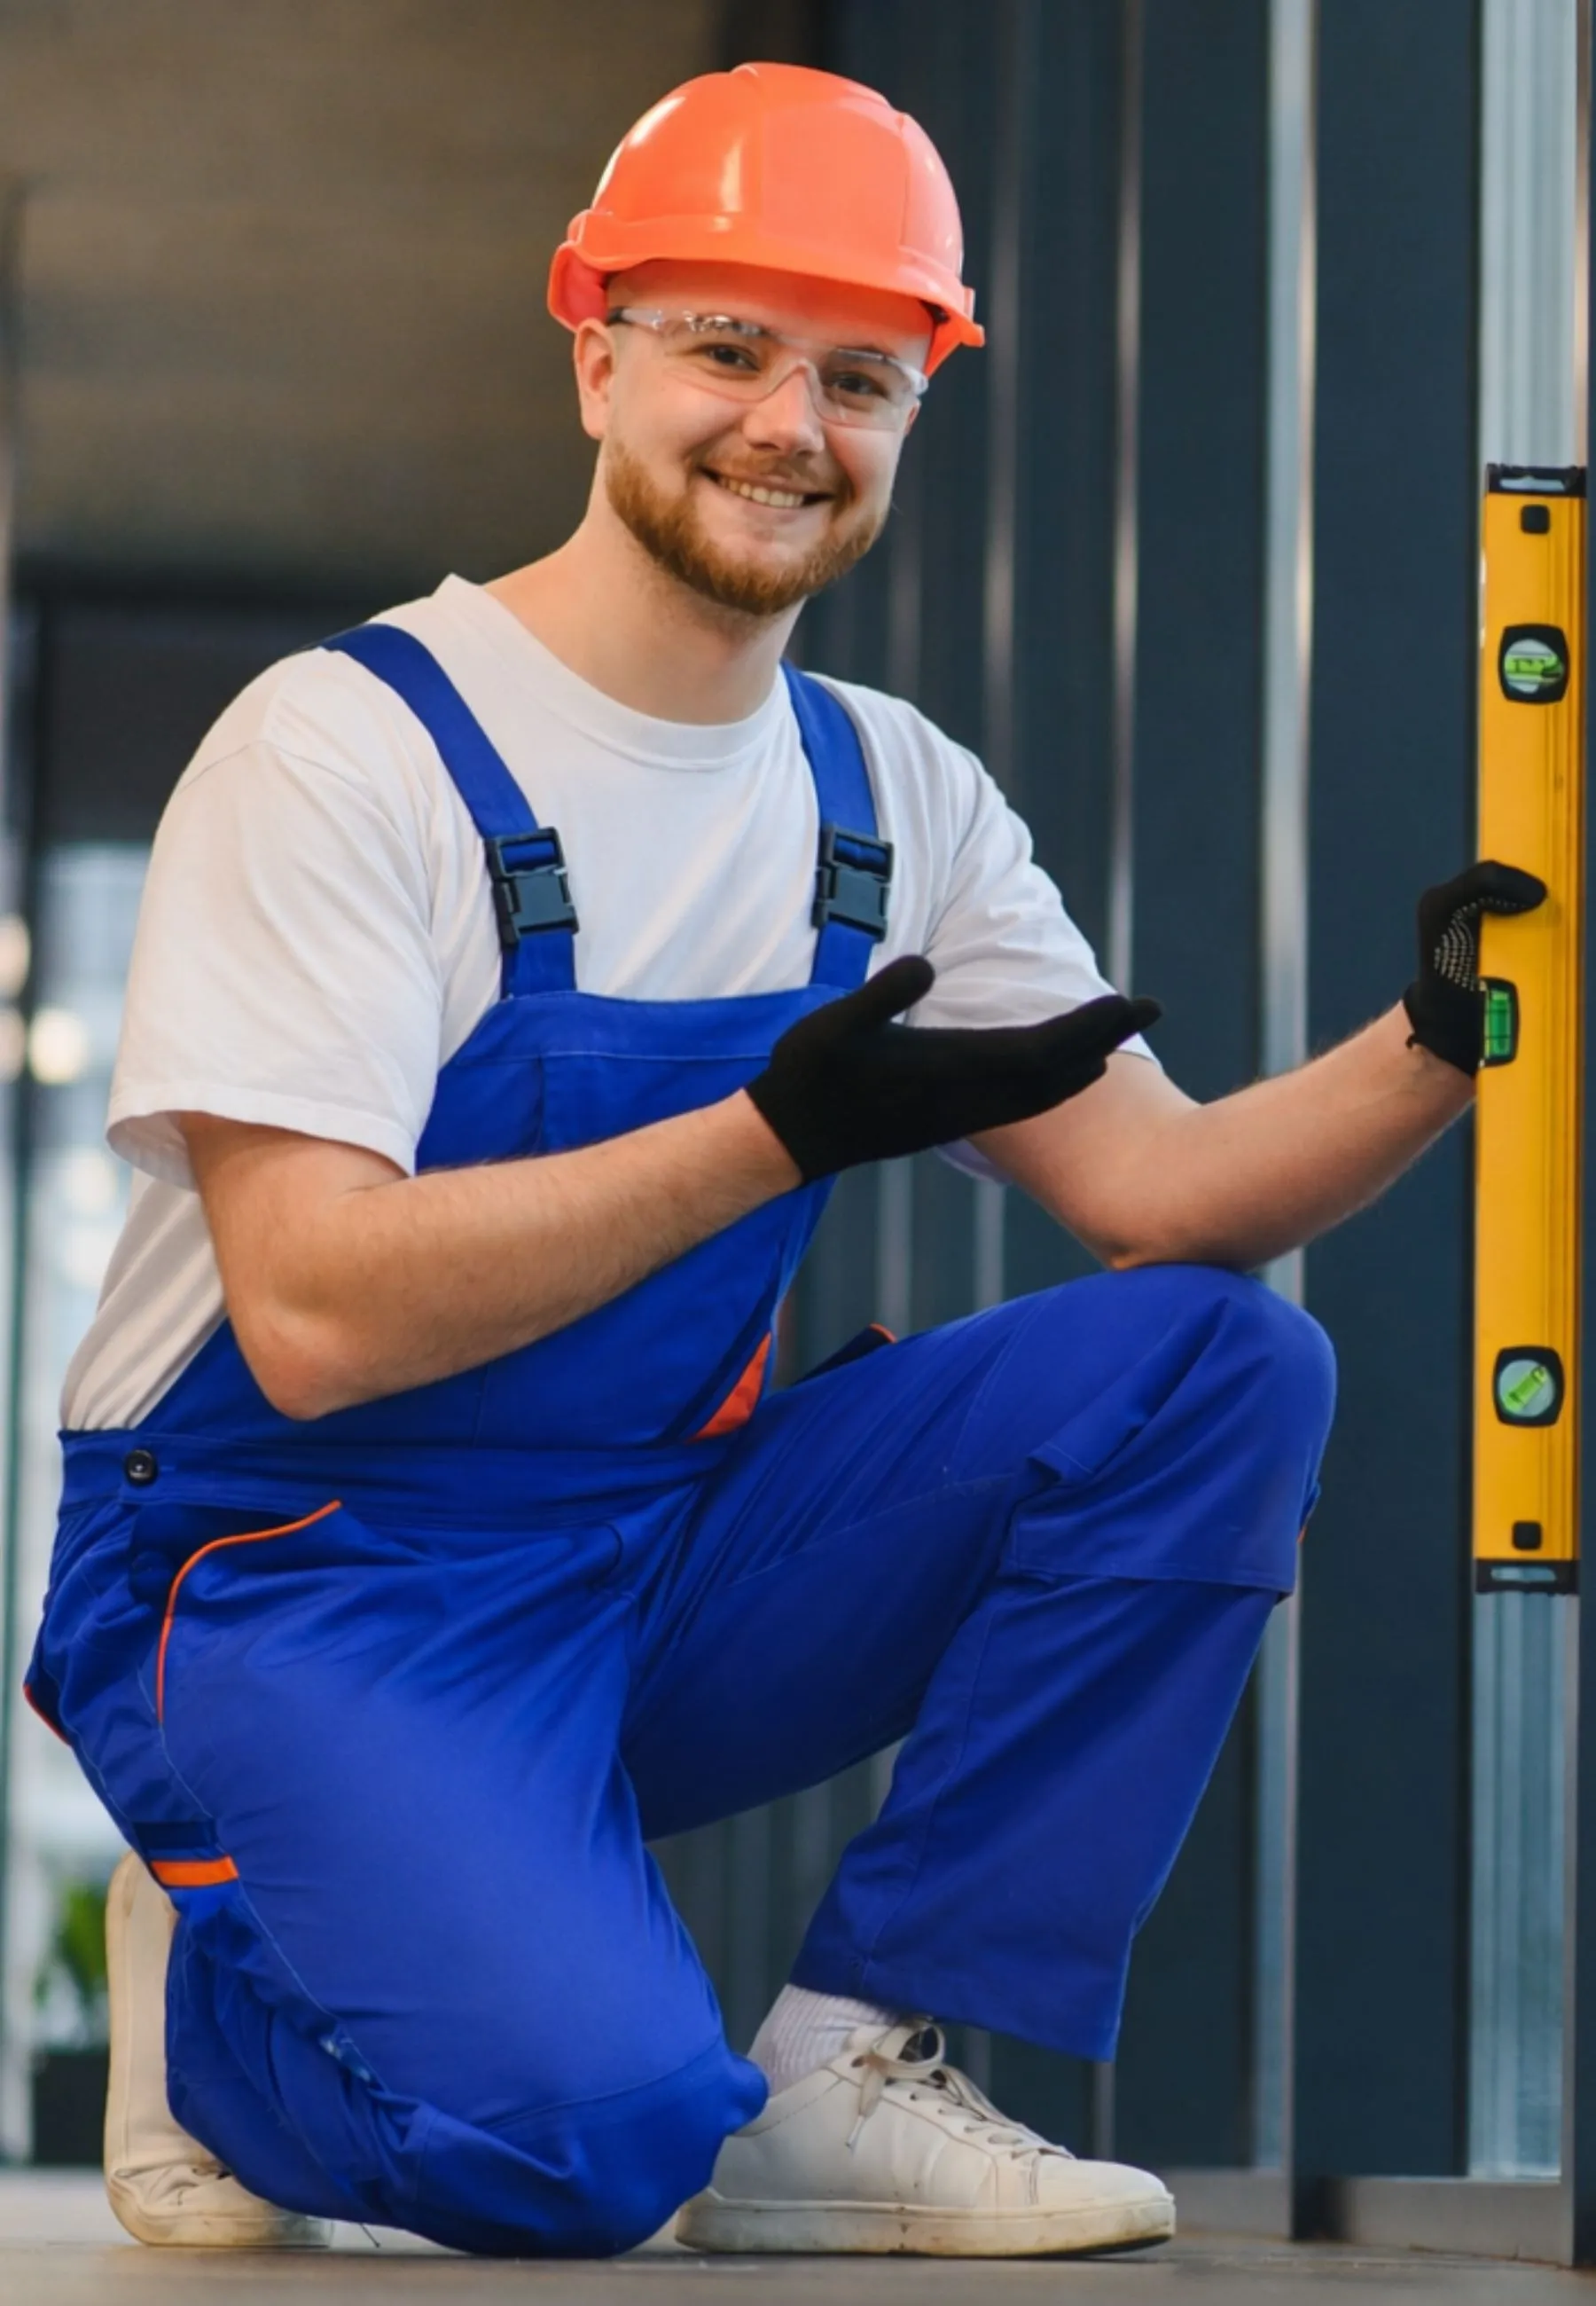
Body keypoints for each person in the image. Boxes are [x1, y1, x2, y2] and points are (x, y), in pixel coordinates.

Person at [27, 60, 1537, 2262]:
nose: (788, 425)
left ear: (919, 406)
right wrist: (765, 1137)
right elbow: (317, 1308)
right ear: (595, 352)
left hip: (650, 1553)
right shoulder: (350, 750)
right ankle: (222, 2002)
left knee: (1222, 1367)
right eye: (726, 348)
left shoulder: (890, 800)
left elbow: (1167, 1194)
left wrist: (1447, 1040)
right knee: (599, 2144)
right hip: (288, 1578)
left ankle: (855, 2059)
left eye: (859, 377)